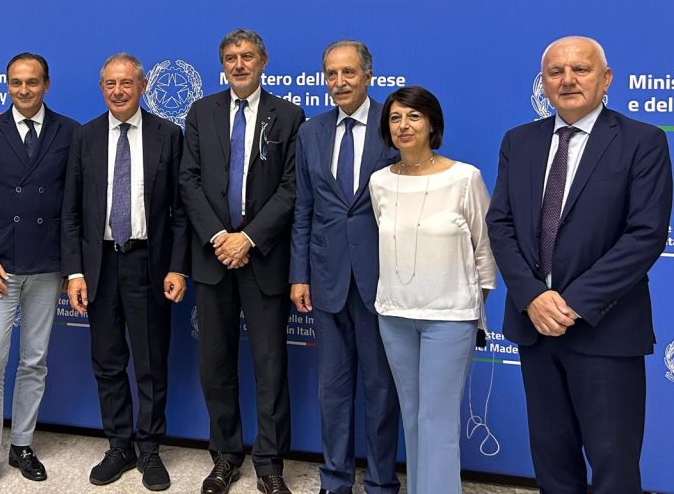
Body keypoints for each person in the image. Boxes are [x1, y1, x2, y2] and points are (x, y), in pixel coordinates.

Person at [487, 36, 672, 494]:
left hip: (604, 330)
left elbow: (645, 234)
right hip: (535, 329)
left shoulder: (643, 141)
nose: (567, 80)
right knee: (553, 465)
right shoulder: (518, 142)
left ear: (605, 79)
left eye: (581, 70)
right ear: (544, 83)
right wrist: (532, 297)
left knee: (614, 467)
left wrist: (571, 303)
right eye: (556, 72)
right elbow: (500, 225)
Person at [180, 29, 305, 494]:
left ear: (263, 61)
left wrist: (248, 239)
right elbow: (188, 181)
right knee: (215, 364)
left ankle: (270, 464)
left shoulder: (288, 115)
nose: (239, 64)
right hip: (213, 257)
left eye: (247, 56)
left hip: (264, 257)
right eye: (231, 57)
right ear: (223, 64)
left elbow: (292, 187)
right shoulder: (201, 112)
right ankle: (225, 457)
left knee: (270, 366)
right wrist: (220, 237)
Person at [61, 53, 189, 491]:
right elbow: (71, 212)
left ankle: (150, 448)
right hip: (99, 264)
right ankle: (119, 445)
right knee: (107, 360)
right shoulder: (85, 136)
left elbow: (181, 213)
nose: (118, 91)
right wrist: (74, 273)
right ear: (102, 88)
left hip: (148, 263)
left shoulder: (168, 135)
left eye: (127, 83)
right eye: (110, 84)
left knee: (151, 362)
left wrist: (178, 267)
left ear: (143, 86)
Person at [368, 86, 497, 494]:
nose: (403, 125)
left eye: (414, 116)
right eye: (395, 118)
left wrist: (471, 303)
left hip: (450, 319)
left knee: (437, 422)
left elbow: (484, 250)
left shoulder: (464, 178)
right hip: (394, 315)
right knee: (412, 417)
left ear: (431, 124)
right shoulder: (379, 182)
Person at [0, 52, 79, 494]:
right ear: (7, 85)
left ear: (46, 84)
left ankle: (23, 445)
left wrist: (72, 268)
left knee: (34, 360)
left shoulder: (69, 131)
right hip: (0, 266)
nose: (24, 90)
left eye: (32, 82)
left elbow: (73, 207)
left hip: (47, 265)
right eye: (16, 82)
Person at [289, 40, 401, 494]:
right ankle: (334, 480)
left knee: (380, 389)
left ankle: (380, 482)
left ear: (369, 75)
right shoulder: (310, 132)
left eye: (348, 73)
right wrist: (299, 274)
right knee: (332, 390)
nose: (339, 82)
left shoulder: (395, 123)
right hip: (326, 278)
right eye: (331, 74)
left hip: (382, 279)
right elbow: (303, 208)